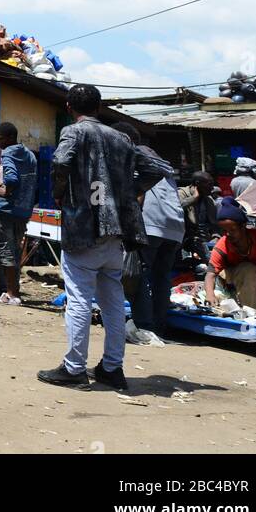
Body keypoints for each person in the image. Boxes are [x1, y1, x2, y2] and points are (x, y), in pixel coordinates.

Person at [38, 85, 169, 391]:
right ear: (99, 107)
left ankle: (74, 368)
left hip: (83, 229)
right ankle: (112, 367)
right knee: (112, 301)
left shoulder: (74, 132)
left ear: (69, 106)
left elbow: (60, 163)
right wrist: (129, 191)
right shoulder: (120, 137)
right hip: (117, 232)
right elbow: (158, 167)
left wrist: (60, 194)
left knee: (80, 299)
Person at [113, 122, 183, 339]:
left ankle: (144, 324)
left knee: (138, 273)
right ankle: (159, 325)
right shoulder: (156, 156)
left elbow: (138, 195)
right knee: (161, 277)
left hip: (150, 223)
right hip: (175, 225)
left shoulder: (131, 155)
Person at [0, 122, 37, 305]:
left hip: (7, 210)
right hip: (24, 210)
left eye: (0, 138)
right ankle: (15, 292)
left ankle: (11, 293)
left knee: (6, 251)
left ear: (9, 138)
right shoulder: (30, 155)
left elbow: (12, 179)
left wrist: (4, 191)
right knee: (16, 252)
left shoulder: (8, 153)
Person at [179, 171, 218, 262]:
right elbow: (176, 208)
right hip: (184, 240)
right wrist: (194, 199)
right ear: (197, 183)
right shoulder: (182, 193)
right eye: (209, 184)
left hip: (205, 241)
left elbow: (215, 224)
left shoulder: (209, 200)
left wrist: (216, 236)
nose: (212, 188)